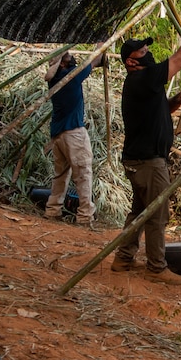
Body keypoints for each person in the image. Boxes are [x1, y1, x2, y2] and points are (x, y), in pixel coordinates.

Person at [112, 12, 181, 275]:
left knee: (139, 212)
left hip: (142, 159)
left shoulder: (146, 85)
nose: (148, 53)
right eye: (142, 51)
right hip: (148, 161)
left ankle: (123, 258)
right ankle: (156, 268)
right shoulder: (141, 79)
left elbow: (164, 109)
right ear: (130, 61)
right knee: (157, 215)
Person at [43, 48, 107, 227]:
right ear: (63, 63)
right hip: (74, 134)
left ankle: (53, 209)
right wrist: (100, 47)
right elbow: (94, 61)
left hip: (58, 135)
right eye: (68, 56)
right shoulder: (70, 76)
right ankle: (85, 214)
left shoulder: (55, 81)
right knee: (83, 173)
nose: (72, 58)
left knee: (60, 175)